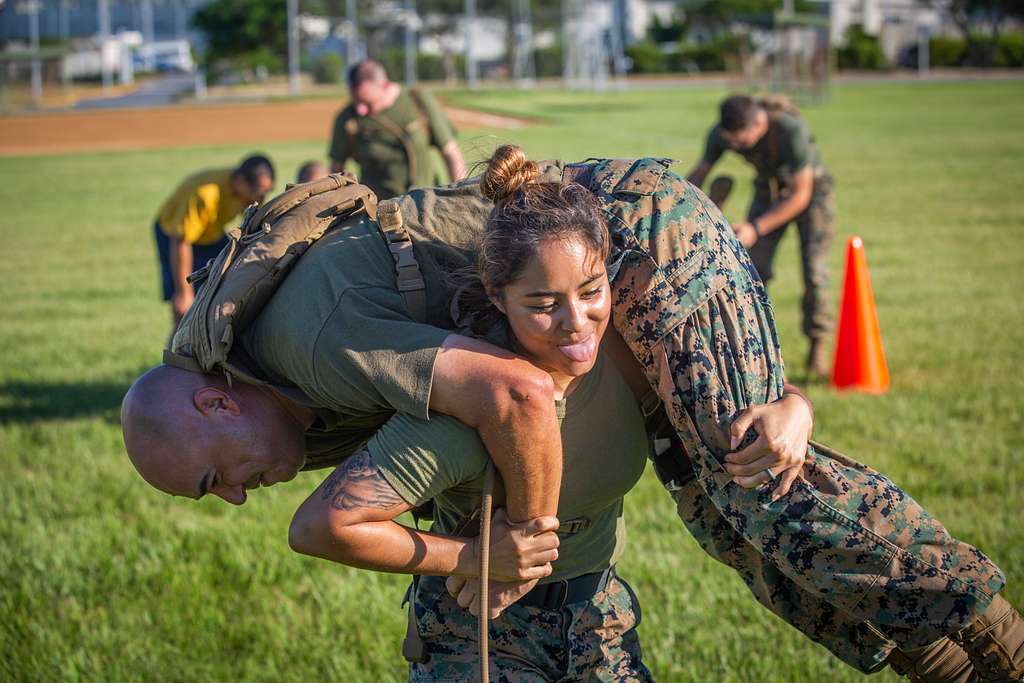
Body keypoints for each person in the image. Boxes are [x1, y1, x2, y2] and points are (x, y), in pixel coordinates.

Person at [123, 155, 1023, 681]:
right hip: (551, 273)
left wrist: (526, 543)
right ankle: (947, 661)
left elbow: (512, 394)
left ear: (214, 400)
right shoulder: (285, 384)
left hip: (631, 236)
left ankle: (998, 637)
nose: (233, 499)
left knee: (754, 478)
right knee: (716, 511)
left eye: (213, 480)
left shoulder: (311, 344)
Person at [686, 95, 836, 379]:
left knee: (814, 271)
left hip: (810, 193)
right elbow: (700, 172)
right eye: (731, 143)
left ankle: (818, 343)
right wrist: (679, 204)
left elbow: (800, 195)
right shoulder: (721, 134)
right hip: (768, 189)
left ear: (759, 123)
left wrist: (756, 228)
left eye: (741, 143)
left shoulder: (790, 129)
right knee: (751, 271)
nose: (736, 148)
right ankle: (751, 348)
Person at [153, 154, 275, 339]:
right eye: (257, 191)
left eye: (266, 192)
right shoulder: (205, 194)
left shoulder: (243, 192)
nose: (261, 198)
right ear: (240, 181)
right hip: (176, 238)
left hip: (210, 235)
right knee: (185, 311)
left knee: (238, 270)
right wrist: (183, 292)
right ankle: (174, 358)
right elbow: (181, 240)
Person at [328, 59, 466, 199]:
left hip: (426, 206)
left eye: (367, 103)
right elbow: (337, 169)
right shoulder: (347, 119)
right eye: (355, 100)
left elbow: (451, 153)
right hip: (377, 212)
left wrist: (461, 197)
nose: (360, 109)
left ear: (386, 86)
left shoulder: (417, 101)